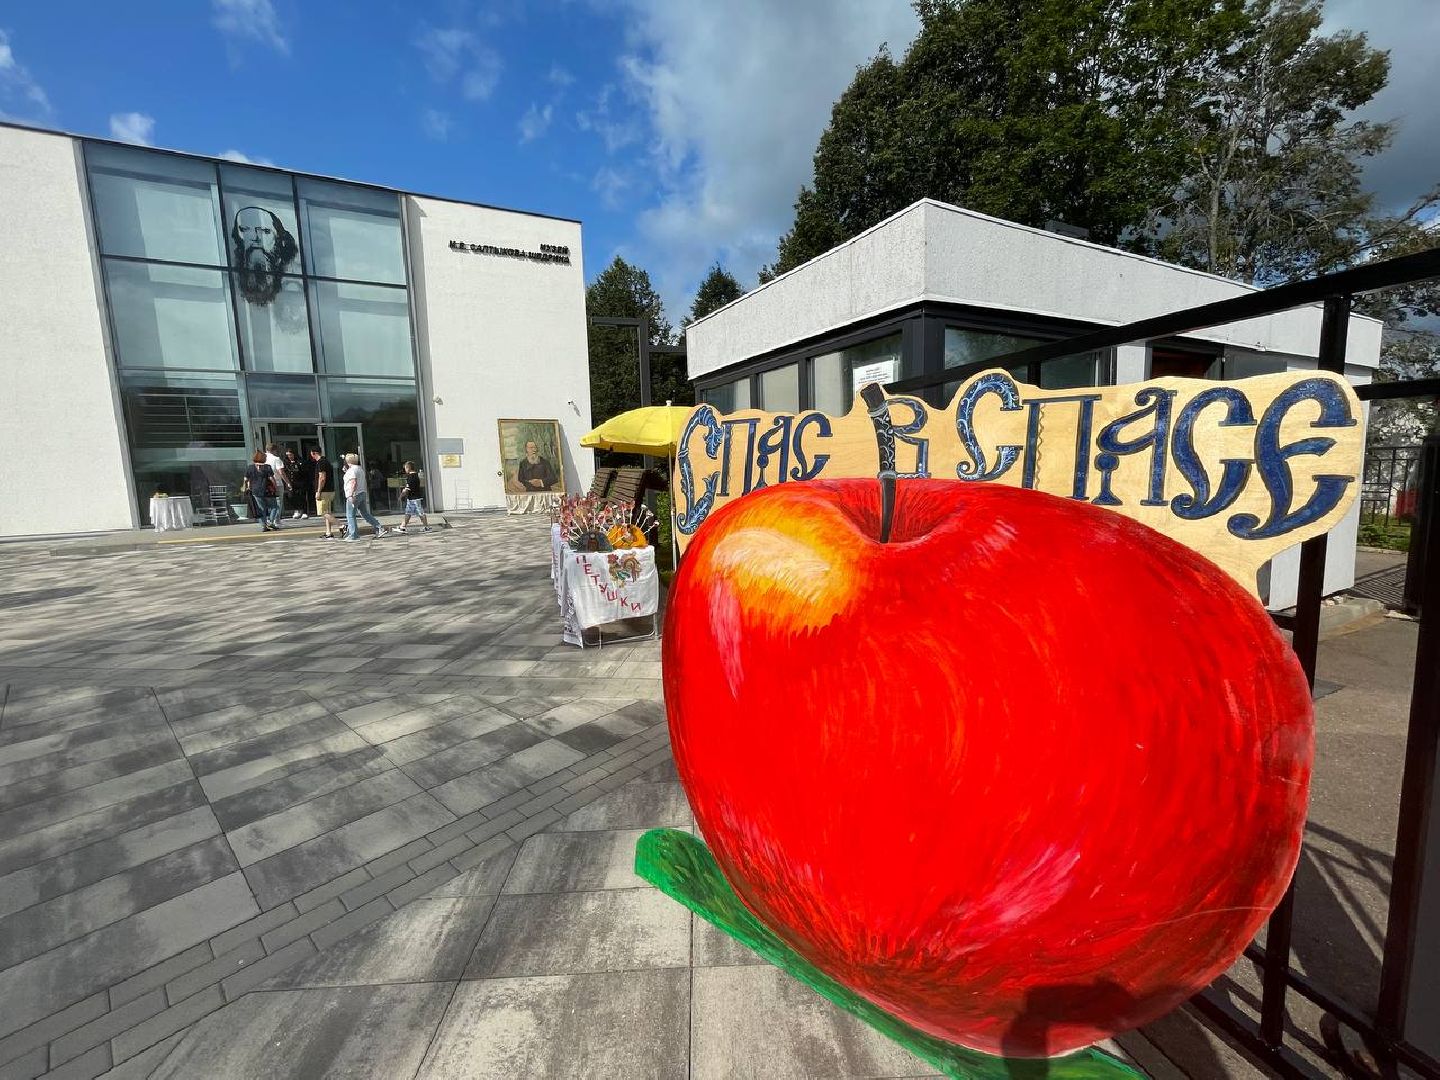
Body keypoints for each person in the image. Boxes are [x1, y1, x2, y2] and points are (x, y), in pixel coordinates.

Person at [343, 452, 387, 542]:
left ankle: (353, 535)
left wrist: (351, 494)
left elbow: (353, 482)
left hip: (354, 494)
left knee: (350, 515)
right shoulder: (359, 469)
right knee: (365, 513)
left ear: (348, 461)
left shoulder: (351, 470)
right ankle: (379, 527)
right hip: (362, 493)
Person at [310, 447, 341, 540]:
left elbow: (322, 478)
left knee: (323, 512)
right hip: (329, 490)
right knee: (327, 512)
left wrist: (318, 491)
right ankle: (328, 532)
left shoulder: (321, 463)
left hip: (324, 491)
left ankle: (342, 526)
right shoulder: (326, 461)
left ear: (313, 453)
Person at [243, 451, 278, 532]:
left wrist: (247, 487)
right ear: (262, 458)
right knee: (274, 506)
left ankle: (263, 525)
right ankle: (271, 522)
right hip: (267, 490)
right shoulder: (267, 467)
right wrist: (275, 487)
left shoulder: (250, 467)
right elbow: (271, 478)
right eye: (265, 457)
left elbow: (246, 479)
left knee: (260, 508)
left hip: (255, 490)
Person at [395, 462, 431, 534]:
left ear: (408, 467)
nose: (405, 470)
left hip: (414, 499)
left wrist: (400, 496)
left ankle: (427, 527)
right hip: (412, 498)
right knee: (408, 513)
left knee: (420, 513)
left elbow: (406, 489)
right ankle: (402, 526)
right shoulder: (416, 475)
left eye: (405, 468)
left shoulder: (410, 477)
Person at [263, 443, 289, 529]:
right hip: (277, 482)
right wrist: (287, 482)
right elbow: (281, 472)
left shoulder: (262, 458)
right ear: (274, 450)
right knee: (278, 502)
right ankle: (275, 520)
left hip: (265, 484)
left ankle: (268, 520)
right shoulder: (276, 459)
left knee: (269, 503)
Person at [283, 449, 309, 519]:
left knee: (302, 497)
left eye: (290, 455)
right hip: (290, 482)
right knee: (291, 496)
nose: (289, 456)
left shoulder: (300, 461)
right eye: (288, 455)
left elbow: (304, 471)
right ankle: (297, 510)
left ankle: (304, 512)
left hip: (300, 482)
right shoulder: (286, 462)